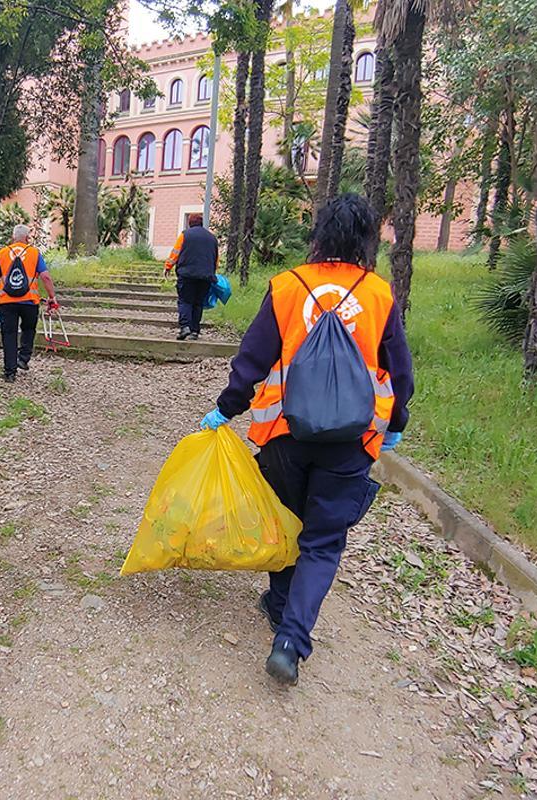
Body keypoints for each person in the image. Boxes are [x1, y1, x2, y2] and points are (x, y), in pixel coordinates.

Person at [199, 194, 414, 686]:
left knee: (285, 520)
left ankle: (278, 602)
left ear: (317, 237)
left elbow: (251, 360)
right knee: (322, 540)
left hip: (283, 434)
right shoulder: (379, 294)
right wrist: (396, 420)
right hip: (350, 441)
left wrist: (225, 409)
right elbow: (400, 371)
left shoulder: (287, 286)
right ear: (364, 241)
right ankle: (291, 639)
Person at [0, 224, 59, 381]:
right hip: (29, 302)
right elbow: (45, 277)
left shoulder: (3, 253)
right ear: (27, 238)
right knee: (29, 329)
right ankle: (23, 358)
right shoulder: (34, 253)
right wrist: (52, 297)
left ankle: (10, 373)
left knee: (9, 334)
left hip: (7, 302)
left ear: (13, 237)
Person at [164, 212, 219, 341]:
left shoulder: (185, 235)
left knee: (185, 301)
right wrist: (212, 272)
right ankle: (194, 330)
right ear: (201, 223)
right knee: (198, 303)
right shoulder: (212, 238)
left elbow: (175, 253)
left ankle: (185, 327)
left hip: (187, 274)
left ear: (190, 224)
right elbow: (216, 259)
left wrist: (168, 267)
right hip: (206, 276)